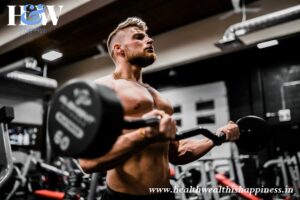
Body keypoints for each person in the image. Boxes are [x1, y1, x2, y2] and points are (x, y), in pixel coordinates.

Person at [79, 17, 240, 200]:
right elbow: (88, 161)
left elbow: (177, 152)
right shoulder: (103, 88)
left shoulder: (159, 98)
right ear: (119, 49)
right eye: (139, 37)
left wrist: (216, 138)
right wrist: (144, 134)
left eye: (147, 36)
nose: (149, 40)